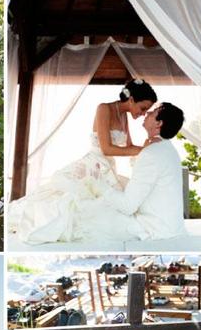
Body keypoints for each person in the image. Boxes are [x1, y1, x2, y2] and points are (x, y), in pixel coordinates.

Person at [8, 78, 157, 244]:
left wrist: (148, 146)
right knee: (77, 202)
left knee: (117, 204)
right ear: (131, 100)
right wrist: (142, 150)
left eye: (146, 111)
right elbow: (106, 148)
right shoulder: (104, 108)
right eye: (143, 108)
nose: (143, 113)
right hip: (93, 165)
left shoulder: (124, 116)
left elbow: (128, 146)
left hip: (108, 167)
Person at [102, 102, 185, 240]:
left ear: (159, 123)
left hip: (155, 229)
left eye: (153, 112)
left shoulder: (151, 154)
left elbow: (128, 206)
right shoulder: (168, 149)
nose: (147, 113)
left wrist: (101, 189)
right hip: (172, 227)